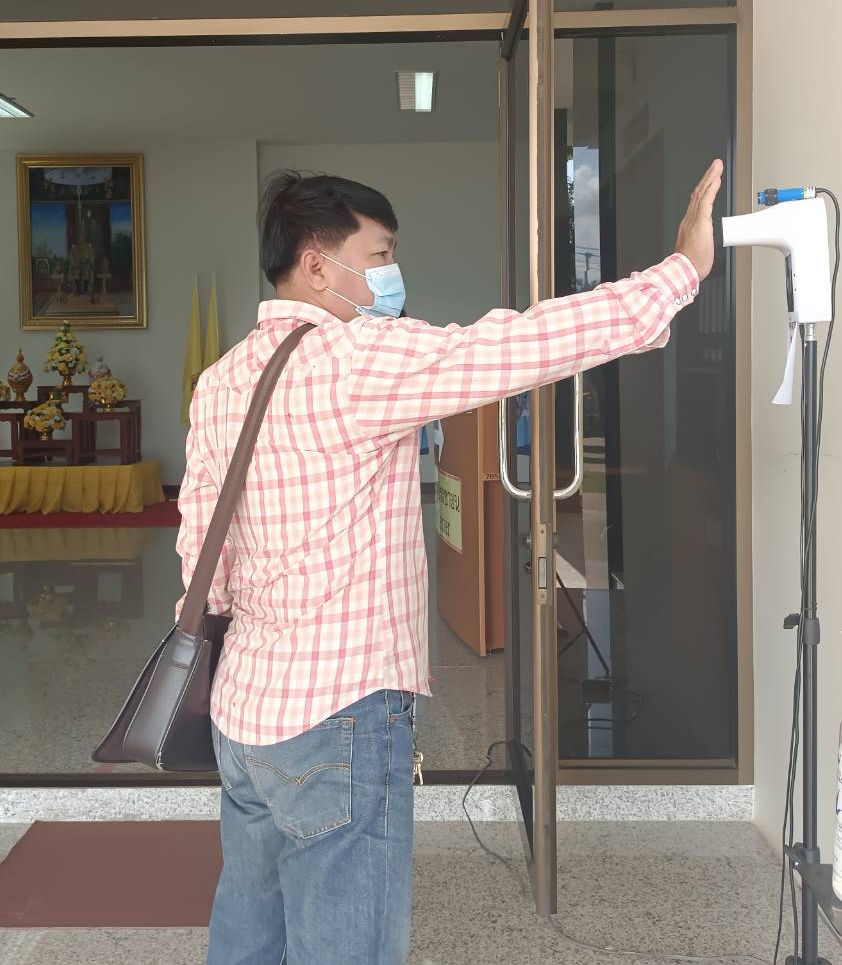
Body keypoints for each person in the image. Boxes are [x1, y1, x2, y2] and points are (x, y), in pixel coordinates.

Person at [181, 160, 723, 965]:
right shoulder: (355, 359)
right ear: (317, 266)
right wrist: (678, 272)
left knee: (248, 931)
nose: (390, 273)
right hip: (336, 709)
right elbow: (518, 344)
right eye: (379, 255)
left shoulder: (222, 380)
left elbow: (201, 548)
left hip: (243, 711)